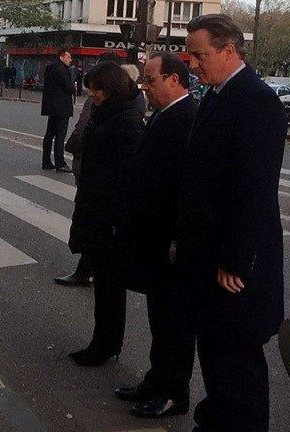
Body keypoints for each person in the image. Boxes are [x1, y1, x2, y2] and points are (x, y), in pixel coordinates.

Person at [177, 14, 287, 432]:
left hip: (236, 267)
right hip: (209, 256)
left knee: (238, 364)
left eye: (199, 54)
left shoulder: (257, 101)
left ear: (229, 50)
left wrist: (236, 261)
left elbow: (253, 191)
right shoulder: (220, 94)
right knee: (216, 355)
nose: (192, 63)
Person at [114, 53, 197, 419]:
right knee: (158, 317)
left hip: (168, 241)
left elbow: (185, 188)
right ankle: (156, 379)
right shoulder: (166, 115)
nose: (144, 87)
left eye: (150, 80)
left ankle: (173, 392)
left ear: (174, 80)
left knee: (173, 323)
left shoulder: (186, 119)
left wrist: (178, 237)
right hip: (153, 237)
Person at [67, 61, 144, 367]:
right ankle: (102, 342)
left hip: (109, 216)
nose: (92, 95)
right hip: (97, 209)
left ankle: (106, 345)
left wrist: (117, 219)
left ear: (110, 87)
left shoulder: (126, 120)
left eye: (96, 89)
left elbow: (127, 175)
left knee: (111, 287)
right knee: (105, 283)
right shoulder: (108, 113)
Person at [55, 52, 121, 288]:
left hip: (93, 171)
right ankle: (89, 267)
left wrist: (71, 147)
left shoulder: (99, 101)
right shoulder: (130, 97)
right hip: (103, 176)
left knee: (91, 219)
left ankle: (87, 269)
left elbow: (83, 128)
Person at [41, 49, 76, 172]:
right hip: (62, 107)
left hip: (52, 106)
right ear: (62, 57)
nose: (70, 60)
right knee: (60, 135)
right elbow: (69, 87)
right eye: (68, 57)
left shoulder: (50, 68)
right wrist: (73, 87)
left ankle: (46, 161)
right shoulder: (61, 69)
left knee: (50, 134)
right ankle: (60, 163)